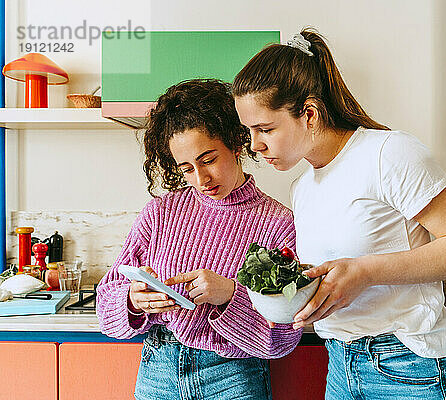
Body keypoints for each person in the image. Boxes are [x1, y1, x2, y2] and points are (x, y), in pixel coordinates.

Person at [232, 29, 446, 400]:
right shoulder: (303, 187)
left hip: (408, 365)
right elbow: (338, 273)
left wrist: (365, 272)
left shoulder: (389, 153)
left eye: (265, 129)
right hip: (340, 362)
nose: (256, 145)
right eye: (249, 132)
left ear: (309, 114)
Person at [96, 79, 301, 400]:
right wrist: (133, 301)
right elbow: (106, 304)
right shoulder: (160, 212)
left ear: (236, 142)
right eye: (187, 168)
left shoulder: (276, 223)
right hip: (157, 370)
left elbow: (283, 338)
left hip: (232, 376)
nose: (201, 179)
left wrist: (230, 294)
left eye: (208, 159)